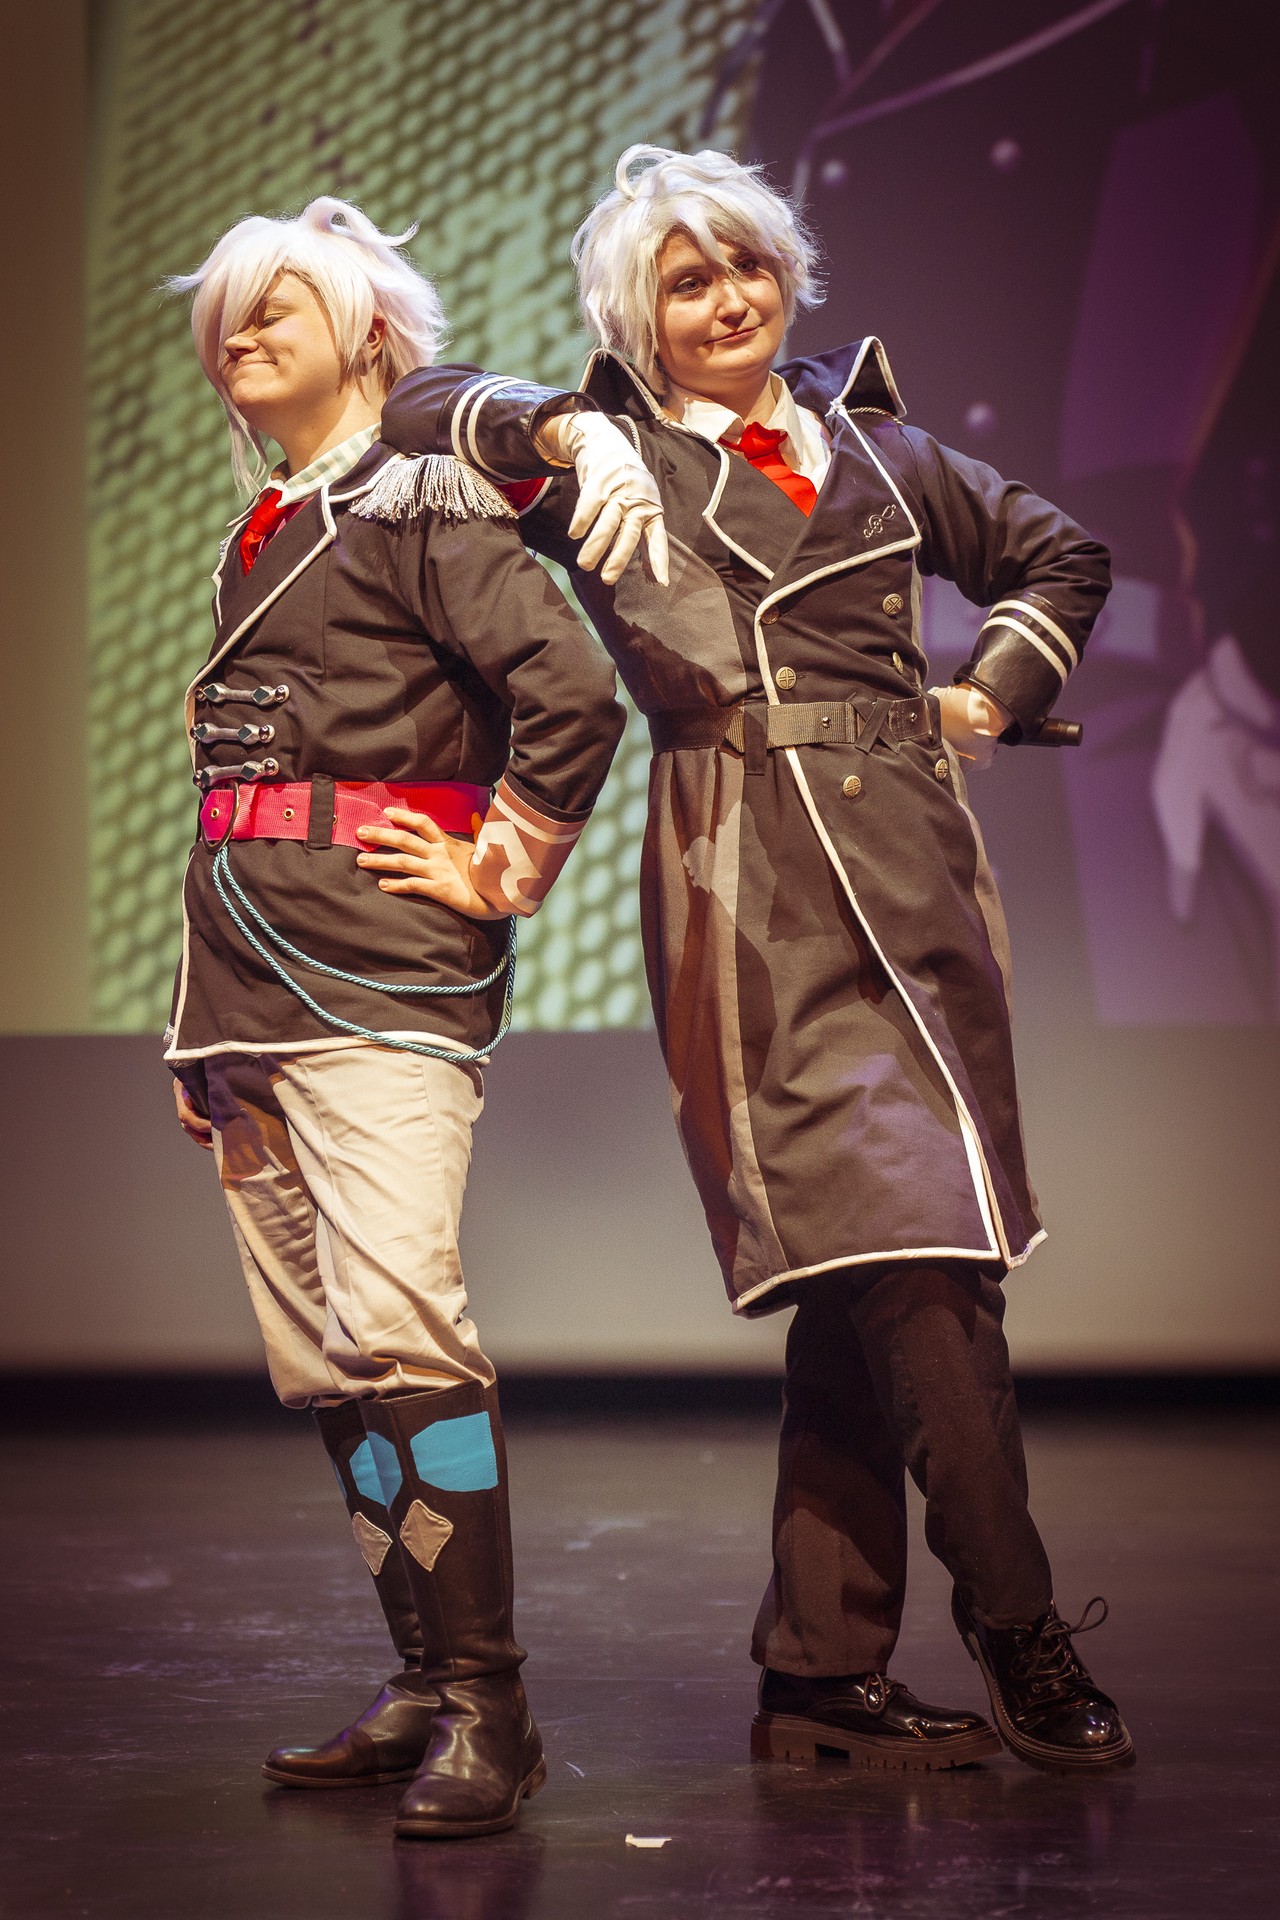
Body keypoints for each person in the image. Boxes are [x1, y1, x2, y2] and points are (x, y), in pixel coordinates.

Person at [367, 146, 1135, 1773]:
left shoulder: (880, 448)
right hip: (752, 897)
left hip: (923, 891)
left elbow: (1062, 555)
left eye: (749, 267)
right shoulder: (615, 460)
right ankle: (1019, 1625)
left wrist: (990, 692)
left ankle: (818, 1675)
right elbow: (414, 410)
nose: (730, 301)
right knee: (920, 1266)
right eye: (687, 281)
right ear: (635, 319)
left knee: (883, 1277)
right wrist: (566, 429)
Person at [163, 197, 625, 1837]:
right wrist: (197, 1029)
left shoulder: (419, 497)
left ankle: (492, 1706)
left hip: (378, 986)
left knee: (407, 1333)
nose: (240, 331)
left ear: (364, 332)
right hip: (249, 1001)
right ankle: (422, 1679)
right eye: (224, 313)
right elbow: (237, 798)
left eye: (275, 303)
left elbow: (574, 693)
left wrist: (508, 860)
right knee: (334, 1368)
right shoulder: (270, 525)